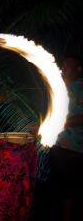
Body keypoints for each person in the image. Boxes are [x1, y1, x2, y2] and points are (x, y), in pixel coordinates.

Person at [49, 56, 83, 221]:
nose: (63, 66)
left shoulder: (81, 88)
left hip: (74, 148)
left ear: (78, 69)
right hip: (57, 145)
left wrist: (58, 123)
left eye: (68, 64)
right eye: (63, 63)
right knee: (59, 189)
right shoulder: (58, 88)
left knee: (69, 191)